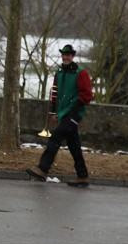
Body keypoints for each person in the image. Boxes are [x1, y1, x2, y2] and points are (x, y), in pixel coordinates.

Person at [26, 44, 95, 186]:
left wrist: (74, 112)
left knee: (55, 137)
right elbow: (55, 93)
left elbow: (87, 95)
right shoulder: (59, 72)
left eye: (68, 55)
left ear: (73, 56)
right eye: (64, 54)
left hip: (74, 113)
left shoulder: (81, 73)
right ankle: (82, 176)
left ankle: (43, 168)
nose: (65, 57)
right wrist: (55, 112)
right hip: (63, 113)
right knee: (73, 144)